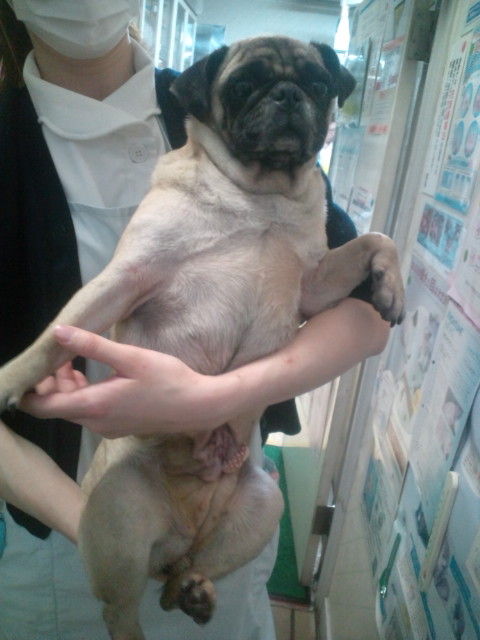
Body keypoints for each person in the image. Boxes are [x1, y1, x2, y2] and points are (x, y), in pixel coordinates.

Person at [0, 1, 390, 638]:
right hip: (64, 535)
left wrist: (210, 400)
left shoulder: (236, 111)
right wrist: (102, 529)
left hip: (228, 505)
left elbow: (368, 314)